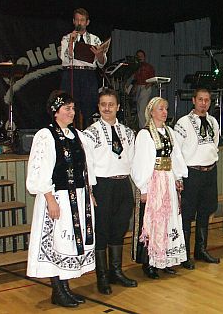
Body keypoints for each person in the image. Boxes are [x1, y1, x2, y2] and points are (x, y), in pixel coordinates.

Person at [26, 91, 95, 308]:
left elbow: (86, 167)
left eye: (73, 108)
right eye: (67, 109)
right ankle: (57, 289)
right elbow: (41, 170)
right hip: (58, 197)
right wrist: (50, 200)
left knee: (68, 243)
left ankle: (65, 288)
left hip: (78, 196)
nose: (72, 112)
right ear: (56, 112)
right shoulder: (46, 136)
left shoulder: (77, 135)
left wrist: (90, 193)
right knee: (57, 242)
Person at [82, 88, 137, 295]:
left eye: (111, 104)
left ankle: (116, 271)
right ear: (98, 107)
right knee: (102, 230)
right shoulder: (90, 134)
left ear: (118, 107)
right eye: (103, 104)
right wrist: (90, 191)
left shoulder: (128, 132)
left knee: (119, 228)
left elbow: (133, 161)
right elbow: (86, 165)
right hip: (102, 186)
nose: (107, 108)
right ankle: (102, 276)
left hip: (123, 184)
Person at [131, 97, 188, 278]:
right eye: (161, 109)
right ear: (151, 112)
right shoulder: (145, 134)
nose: (164, 112)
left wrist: (178, 177)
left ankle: (165, 259)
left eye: (166, 108)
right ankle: (149, 262)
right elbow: (141, 162)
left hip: (168, 180)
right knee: (153, 221)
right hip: (154, 181)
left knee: (169, 219)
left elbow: (176, 156)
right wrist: (144, 188)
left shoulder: (170, 132)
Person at [174, 88, 221, 269]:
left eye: (207, 100)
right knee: (187, 214)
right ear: (193, 100)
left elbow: (215, 145)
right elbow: (176, 151)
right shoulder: (183, 123)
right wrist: (179, 176)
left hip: (210, 172)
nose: (204, 103)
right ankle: (184, 254)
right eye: (200, 100)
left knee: (205, 211)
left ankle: (201, 249)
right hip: (191, 173)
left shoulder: (213, 122)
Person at [60, 8, 107, 129]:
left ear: (87, 22)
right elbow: (64, 59)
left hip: (88, 75)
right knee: (69, 104)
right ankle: (70, 134)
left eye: (82, 20)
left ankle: (88, 134)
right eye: (77, 20)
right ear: (73, 21)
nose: (79, 23)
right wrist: (71, 42)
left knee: (89, 107)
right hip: (71, 73)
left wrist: (99, 55)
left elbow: (101, 64)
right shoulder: (66, 38)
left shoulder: (95, 39)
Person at [131, 49, 155, 128]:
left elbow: (153, 78)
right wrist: (134, 87)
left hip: (145, 87)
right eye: (138, 56)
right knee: (139, 108)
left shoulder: (149, 67)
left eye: (141, 56)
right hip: (139, 87)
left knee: (142, 108)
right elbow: (135, 79)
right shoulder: (136, 67)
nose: (140, 57)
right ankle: (142, 126)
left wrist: (148, 85)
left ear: (144, 57)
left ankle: (144, 127)